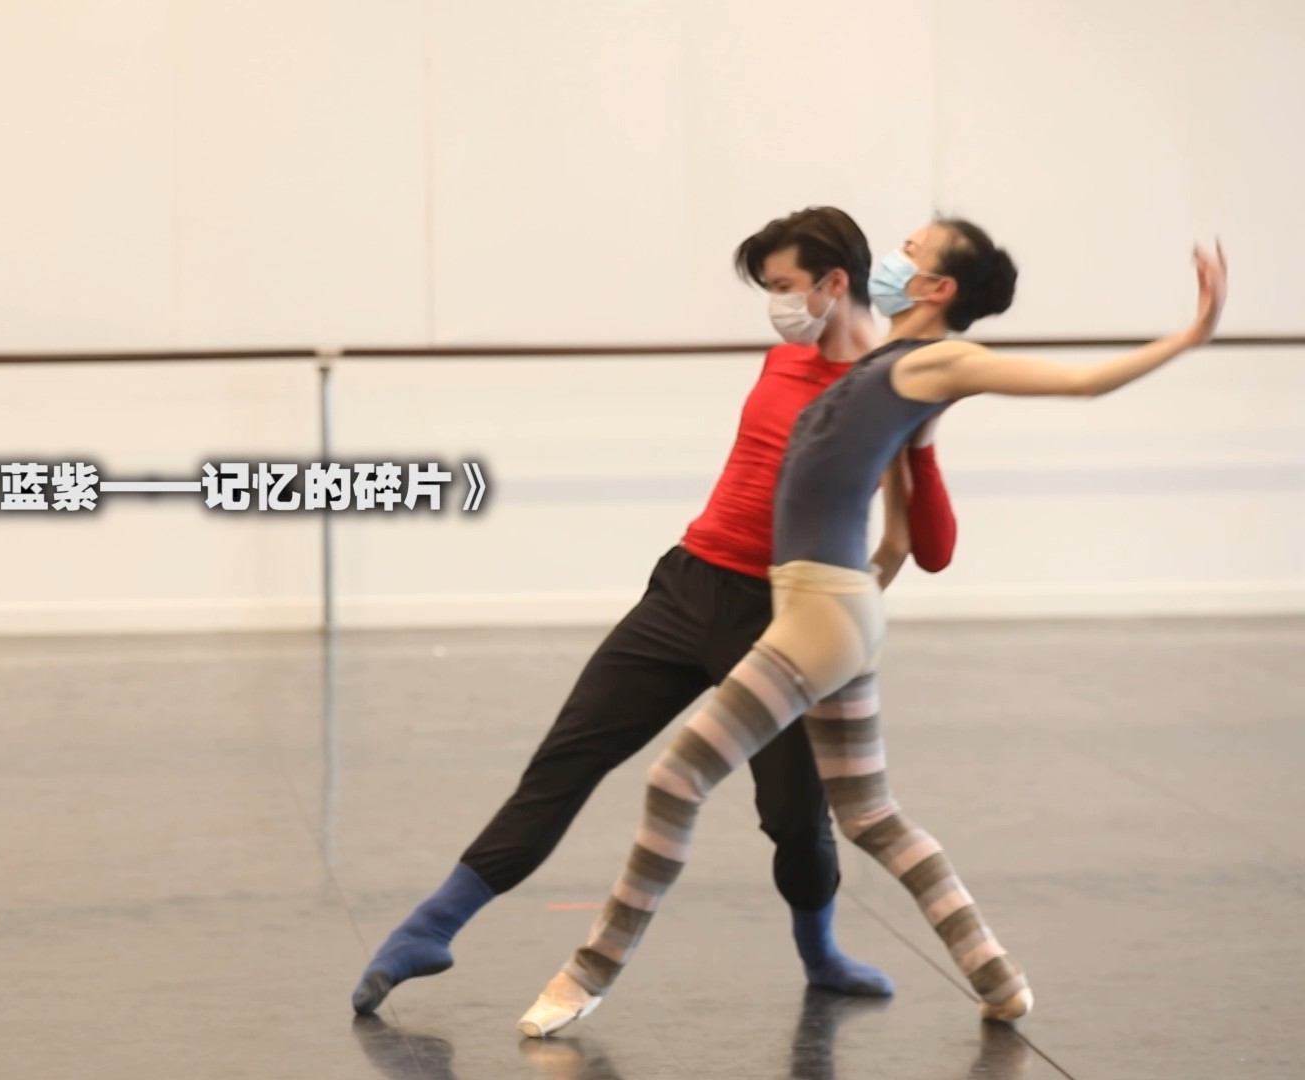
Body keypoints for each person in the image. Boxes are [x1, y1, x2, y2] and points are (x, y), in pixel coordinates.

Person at [516, 220, 1228, 1037]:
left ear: (937, 289)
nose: (893, 257)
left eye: (913, 252)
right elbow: (896, 536)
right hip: (832, 610)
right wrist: (852, 606)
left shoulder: (936, 362)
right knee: (870, 817)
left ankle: (588, 973)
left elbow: (1081, 383)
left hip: (823, 615)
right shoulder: (880, 367)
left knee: (676, 781)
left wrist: (1191, 333)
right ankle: (998, 978)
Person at [351, 207, 962, 1017]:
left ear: (833, 281)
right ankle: (432, 926)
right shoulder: (782, 359)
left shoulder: (887, 390)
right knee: (567, 758)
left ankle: (820, 952)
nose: (777, 305)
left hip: (783, 621)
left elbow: (933, 547)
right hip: (686, 587)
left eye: (785, 286)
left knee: (794, 822)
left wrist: (922, 438)